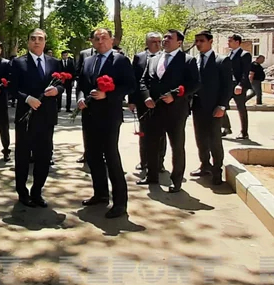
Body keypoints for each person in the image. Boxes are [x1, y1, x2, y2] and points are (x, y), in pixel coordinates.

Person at [74, 28, 136, 217]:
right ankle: (100, 194)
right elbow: (82, 84)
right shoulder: (88, 60)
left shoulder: (120, 60)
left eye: (104, 38)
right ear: (92, 41)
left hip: (110, 116)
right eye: (97, 38)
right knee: (92, 157)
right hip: (90, 115)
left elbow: (130, 85)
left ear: (112, 40)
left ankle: (120, 203)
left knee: (111, 157)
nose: (100, 41)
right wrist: (80, 98)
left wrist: (107, 94)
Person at [137, 29, 200, 193]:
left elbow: (194, 84)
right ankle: (151, 175)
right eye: (164, 37)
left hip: (176, 111)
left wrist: (175, 95)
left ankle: (176, 180)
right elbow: (143, 81)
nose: (165, 40)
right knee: (151, 144)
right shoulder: (154, 59)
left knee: (176, 146)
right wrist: (146, 97)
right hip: (154, 110)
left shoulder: (188, 61)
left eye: (169, 38)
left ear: (179, 42)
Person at [10, 29, 63, 207]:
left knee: (44, 156)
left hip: (47, 117)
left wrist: (57, 91)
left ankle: (37, 191)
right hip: (26, 117)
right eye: (33, 39)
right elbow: (12, 89)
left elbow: (62, 84)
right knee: (23, 156)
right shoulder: (18, 63)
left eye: (40, 39)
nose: (36, 42)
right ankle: (22, 192)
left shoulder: (54, 63)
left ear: (45, 42)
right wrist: (26, 98)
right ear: (28, 42)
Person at [190, 31, 231, 186]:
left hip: (215, 108)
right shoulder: (195, 61)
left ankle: (217, 170)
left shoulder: (222, 61)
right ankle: (204, 165)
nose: (198, 44)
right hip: (198, 107)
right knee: (200, 139)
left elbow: (228, 86)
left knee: (214, 140)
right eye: (196, 41)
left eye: (201, 41)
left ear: (210, 41)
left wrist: (222, 105)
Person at [129, 32, 163, 175]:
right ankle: (144, 161)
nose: (156, 44)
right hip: (143, 102)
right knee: (144, 133)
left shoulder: (165, 57)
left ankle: (159, 163)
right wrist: (132, 101)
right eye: (153, 41)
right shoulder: (139, 57)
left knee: (161, 134)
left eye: (158, 41)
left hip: (161, 102)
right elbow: (134, 80)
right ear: (147, 43)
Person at [224, 34, 251, 139]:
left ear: (237, 42)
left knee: (241, 108)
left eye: (230, 41)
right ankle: (226, 127)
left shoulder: (244, 55)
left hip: (239, 86)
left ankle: (244, 132)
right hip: (228, 85)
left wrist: (240, 85)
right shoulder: (229, 54)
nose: (228, 43)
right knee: (220, 105)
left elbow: (245, 72)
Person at [75, 39, 94, 164]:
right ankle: (87, 153)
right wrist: (80, 97)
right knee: (87, 129)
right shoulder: (85, 54)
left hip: (106, 102)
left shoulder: (117, 56)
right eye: (96, 38)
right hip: (87, 100)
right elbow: (79, 76)